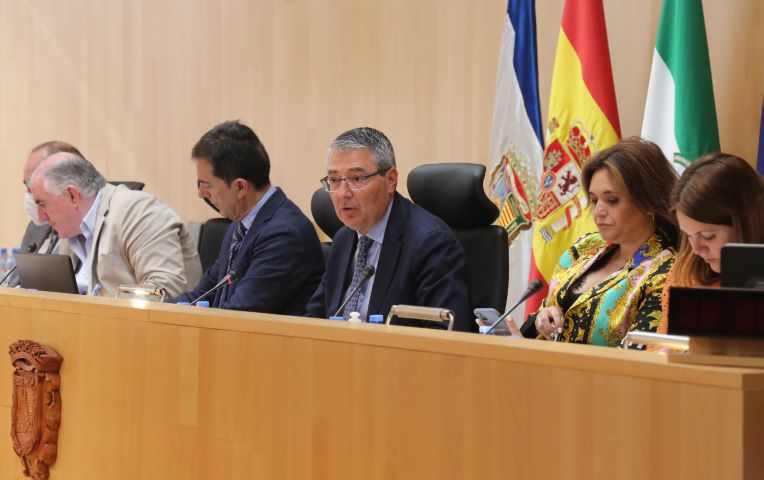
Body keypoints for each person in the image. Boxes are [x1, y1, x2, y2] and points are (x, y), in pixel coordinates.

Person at [306, 127, 471, 331]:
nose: (342, 193)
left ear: (390, 180)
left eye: (357, 179)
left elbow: (445, 335)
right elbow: (313, 320)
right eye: (334, 180)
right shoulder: (343, 239)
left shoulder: (430, 244)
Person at [520, 137, 678, 347]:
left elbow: (640, 358)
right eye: (594, 200)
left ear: (649, 203)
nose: (598, 212)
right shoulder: (583, 247)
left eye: (612, 200)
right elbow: (545, 314)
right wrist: (541, 319)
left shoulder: (667, 273)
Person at [173, 120, 325, 314]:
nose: (201, 194)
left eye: (207, 185)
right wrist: (150, 310)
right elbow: (201, 296)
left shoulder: (284, 235)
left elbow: (241, 313)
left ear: (240, 187)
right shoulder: (240, 226)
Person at [28, 152, 202, 297]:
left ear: (72, 195)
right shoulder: (70, 232)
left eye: (42, 204)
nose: (41, 217)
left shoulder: (140, 212)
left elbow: (164, 291)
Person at [656, 153, 764, 334]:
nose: (696, 249)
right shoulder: (686, 270)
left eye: (708, 236)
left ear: (746, 223)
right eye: (688, 236)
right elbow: (663, 342)